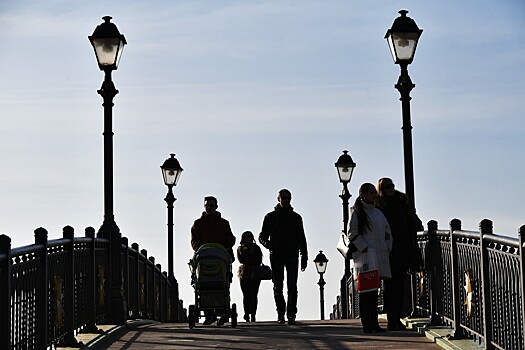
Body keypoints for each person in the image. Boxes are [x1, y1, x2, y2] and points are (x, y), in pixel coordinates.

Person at [259, 189, 308, 325]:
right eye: (284, 198)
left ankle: (291, 313)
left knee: (292, 285)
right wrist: (269, 245)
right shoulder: (270, 217)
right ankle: (281, 313)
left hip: (292, 254)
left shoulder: (296, 218)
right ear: (278, 199)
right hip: (276, 255)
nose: (286, 200)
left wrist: (304, 257)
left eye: (288, 198)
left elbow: (302, 238)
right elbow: (262, 236)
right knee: (277, 285)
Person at [348, 183, 393, 333]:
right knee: (365, 292)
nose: (374, 195)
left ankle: (373, 322)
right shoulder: (357, 212)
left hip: (379, 257)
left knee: (374, 292)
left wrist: (387, 245)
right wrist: (364, 247)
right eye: (371, 193)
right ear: (363, 195)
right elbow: (352, 233)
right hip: (365, 258)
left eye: (375, 192)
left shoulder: (378, 213)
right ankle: (366, 323)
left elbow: (387, 232)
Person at [375, 177, 418, 331]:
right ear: (381, 188)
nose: (390, 189)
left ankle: (396, 319)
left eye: (392, 185)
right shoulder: (378, 206)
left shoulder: (401, 202)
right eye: (387, 186)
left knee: (399, 285)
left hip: (402, 248)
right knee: (389, 286)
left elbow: (412, 224)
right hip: (387, 250)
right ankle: (392, 319)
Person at [191, 196, 236, 325]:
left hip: (220, 257)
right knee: (204, 285)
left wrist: (225, 245)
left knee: (221, 283)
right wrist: (199, 248)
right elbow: (194, 241)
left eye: (211, 205)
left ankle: (222, 311)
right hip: (204, 257)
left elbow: (231, 238)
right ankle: (208, 314)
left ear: (216, 207)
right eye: (207, 205)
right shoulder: (198, 224)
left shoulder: (223, 223)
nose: (209, 208)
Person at [237, 231, 263, 323]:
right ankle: (247, 313)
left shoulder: (256, 248)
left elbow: (259, 259)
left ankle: (253, 314)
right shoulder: (240, 248)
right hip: (244, 274)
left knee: (254, 294)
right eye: (247, 237)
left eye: (251, 237)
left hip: (255, 273)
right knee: (246, 295)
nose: (249, 238)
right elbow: (241, 260)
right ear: (243, 238)